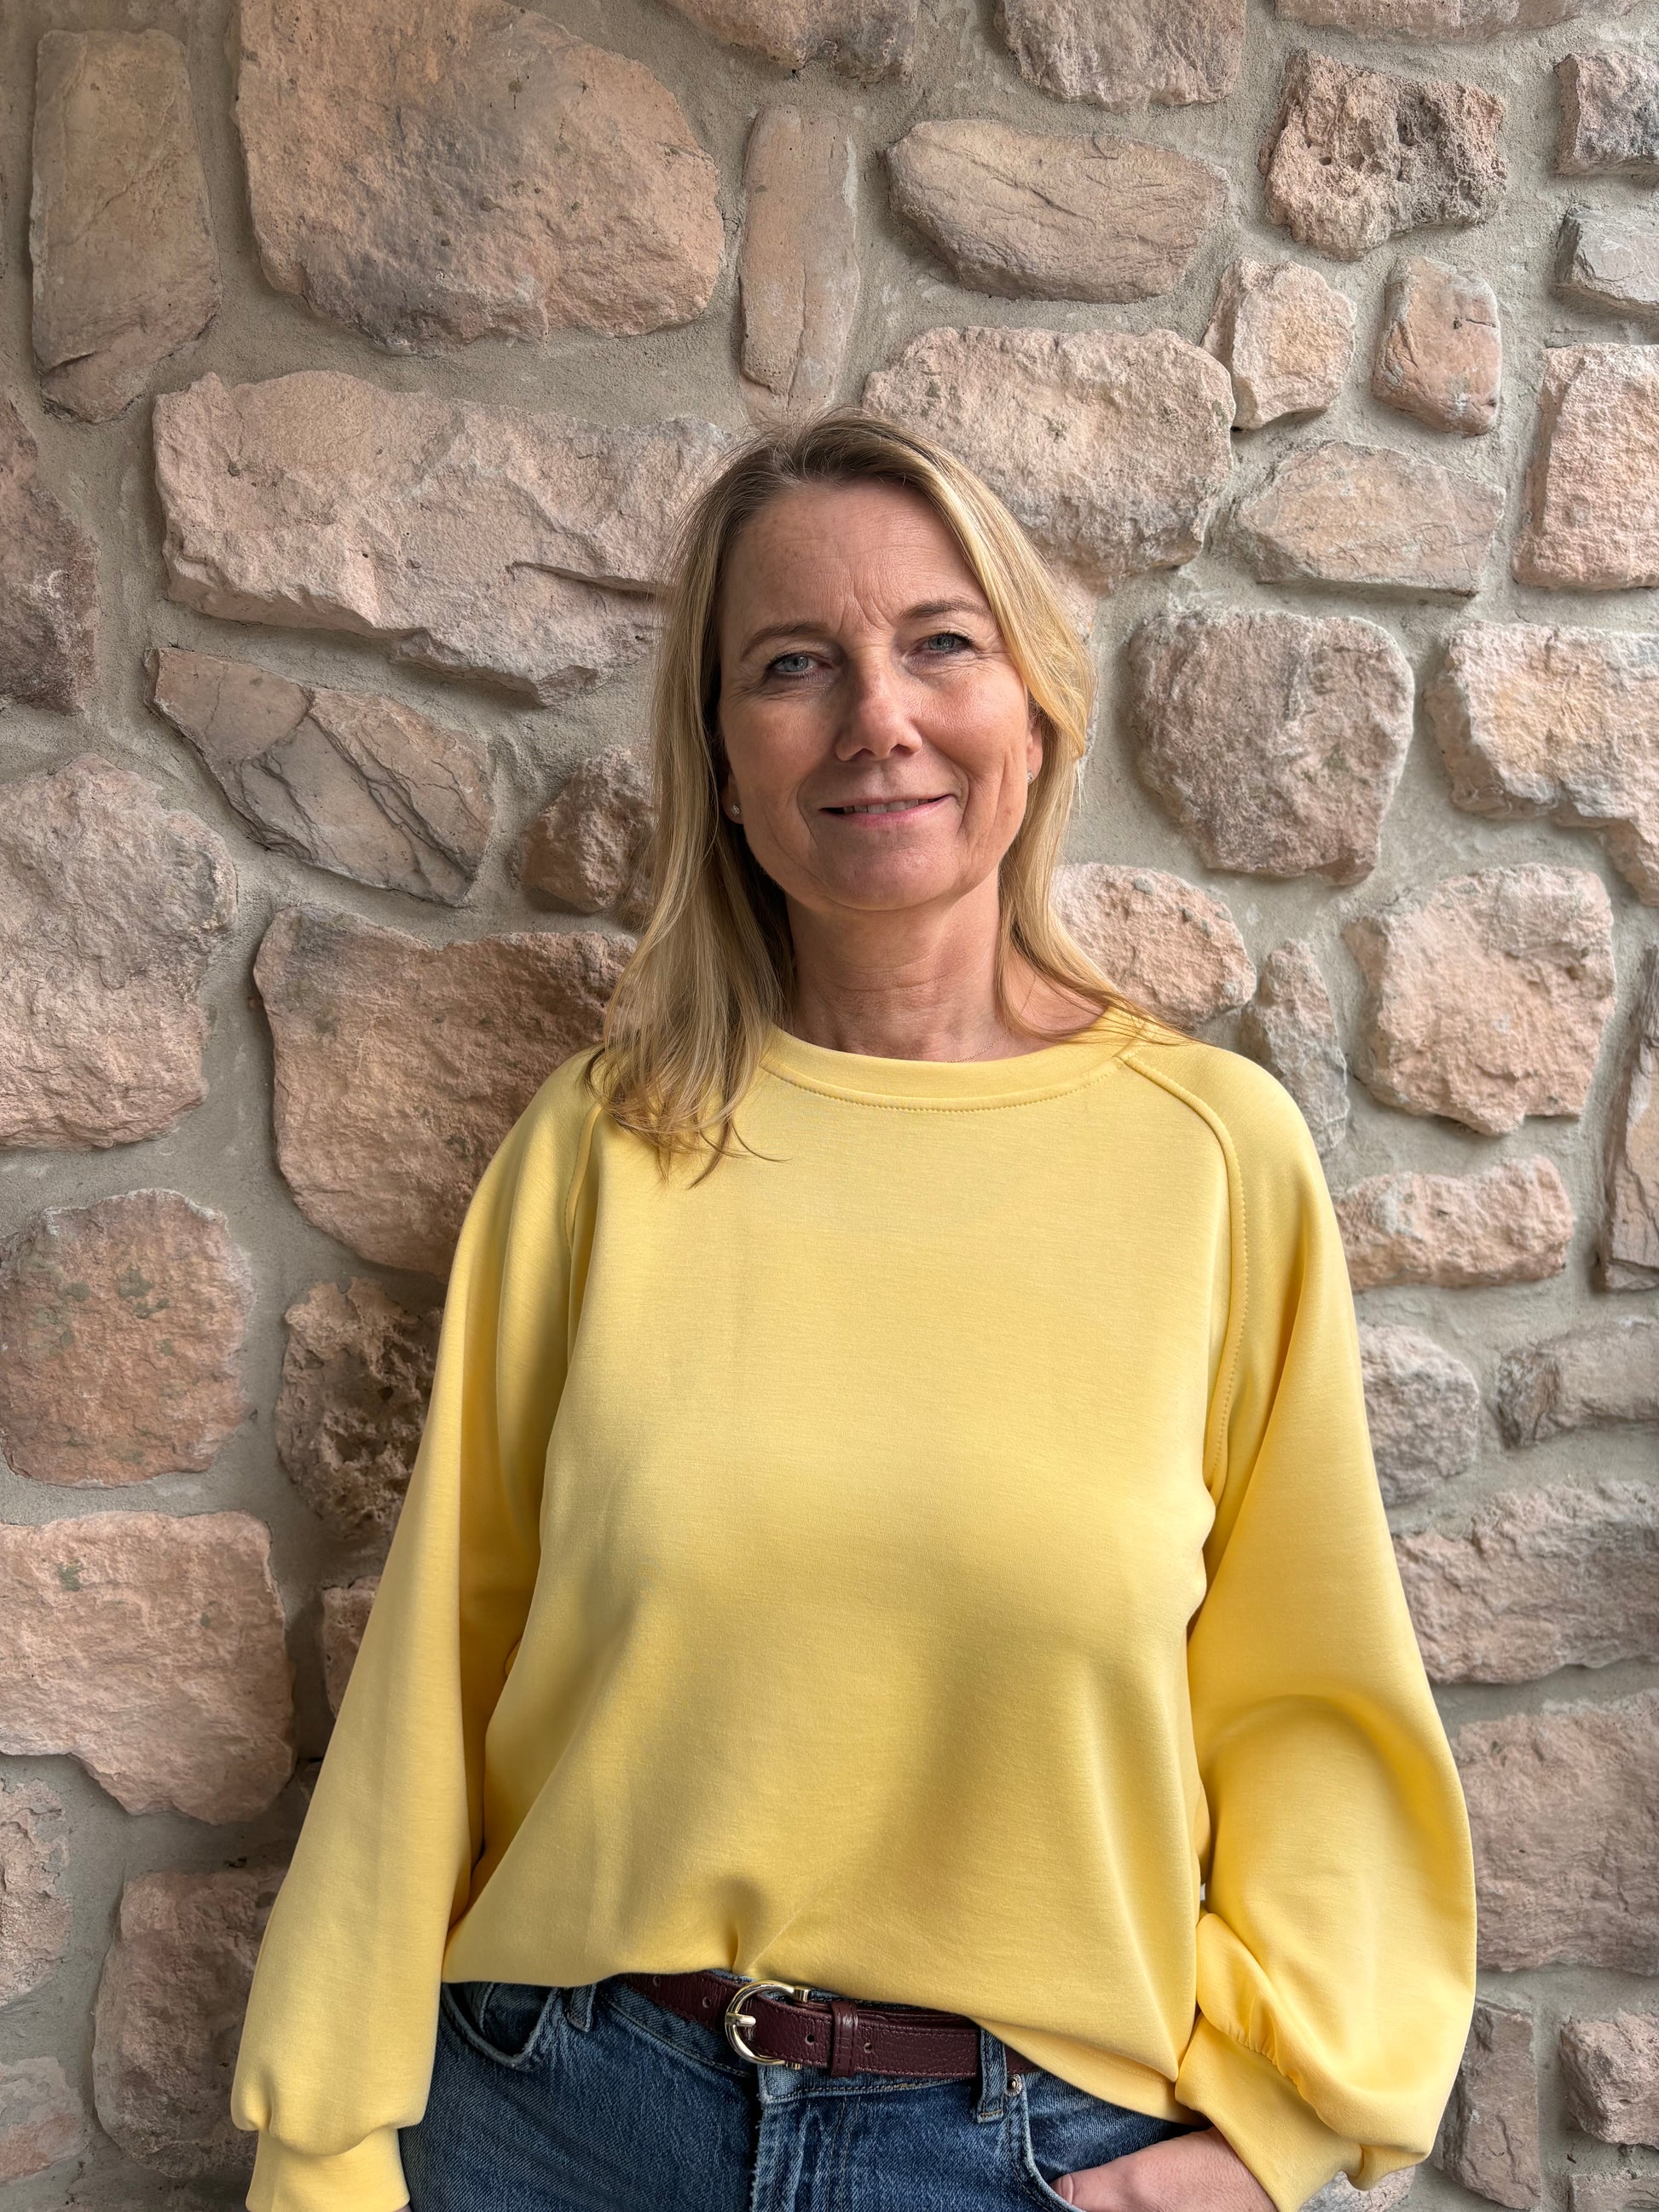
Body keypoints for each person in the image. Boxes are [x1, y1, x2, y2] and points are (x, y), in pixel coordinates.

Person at [230, 411, 1477, 2212]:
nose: (876, 717)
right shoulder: (602, 1149)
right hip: (554, 2122)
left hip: (1024, 2154)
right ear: (725, 764)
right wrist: (326, 2147)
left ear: (1034, 715)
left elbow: (1311, 1697)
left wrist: (1272, 2136)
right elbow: (436, 1674)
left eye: (939, 644)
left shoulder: (1211, 1158)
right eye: (792, 665)